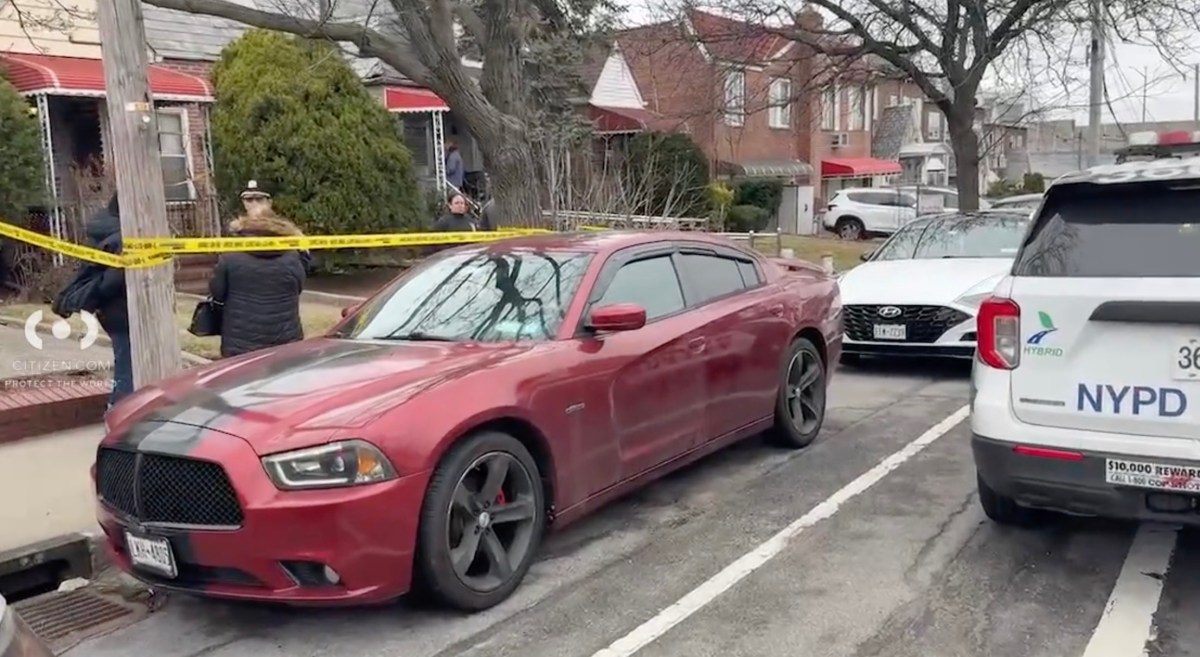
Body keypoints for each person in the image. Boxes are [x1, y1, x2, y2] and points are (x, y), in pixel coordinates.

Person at [208, 201, 307, 359]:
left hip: (240, 339)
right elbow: (299, 287)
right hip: (285, 337)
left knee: (242, 380)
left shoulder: (230, 256)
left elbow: (217, 292)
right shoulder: (293, 257)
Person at [71, 193, 132, 411]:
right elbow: (112, 279)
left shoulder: (103, 228)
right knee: (128, 367)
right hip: (122, 310)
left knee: (126, 361)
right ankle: (117, 411)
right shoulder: (120, 237)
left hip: (109, 310)